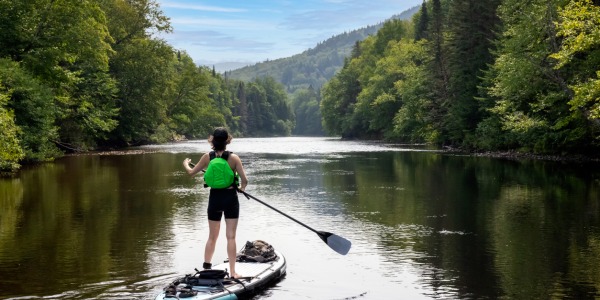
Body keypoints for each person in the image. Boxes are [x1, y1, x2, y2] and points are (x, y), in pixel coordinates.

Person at [183, 127, 248, 279]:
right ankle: (233, 272)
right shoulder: (234, 158)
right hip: (230, 198)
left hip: (215, 199)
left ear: (212, 141)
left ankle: (206, 269)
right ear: (227, 141)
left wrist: (186, 163)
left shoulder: (207, 157)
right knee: (231, 237)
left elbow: (191, 173)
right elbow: (244, 181)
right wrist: (241, 188)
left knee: (212, 236)